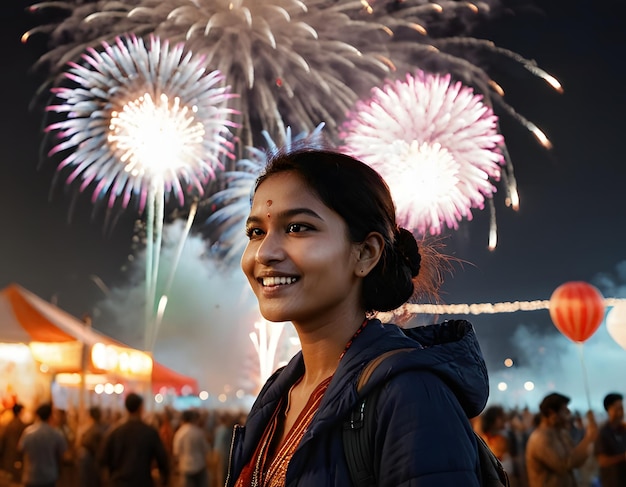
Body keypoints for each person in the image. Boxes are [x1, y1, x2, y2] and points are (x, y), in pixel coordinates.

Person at [226, 147, 489, 486]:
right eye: (256, 232)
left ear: (366, 253)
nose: (265, 253)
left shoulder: (410, 395)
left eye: (298, 228)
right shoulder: (278, 391)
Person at [525, 392, 598, 487]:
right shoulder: (540, 438)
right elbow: (564, 464)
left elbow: (576, 459)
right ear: (551, 413)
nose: (569, 413)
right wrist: (588, 439)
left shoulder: (562, 433)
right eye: (564, 410)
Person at [99, 392, 170, 487]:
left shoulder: (115, 432)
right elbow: (162, 458)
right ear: (140, 408)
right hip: (142, 481)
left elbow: (102, 458)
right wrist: (165, 479)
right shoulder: (149, 432)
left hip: (119, 482)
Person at [17, 403, 68, 487]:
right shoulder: (55, 434)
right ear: (50, 416)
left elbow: (20, 448)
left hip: (31, 475)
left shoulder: (28, 432)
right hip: (49, 477)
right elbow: (64, 454)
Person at [594, 392, 626, 487]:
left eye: (622, 408)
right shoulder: (602, 433)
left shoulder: (623, 430)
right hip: (613, 482)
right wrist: (623, 457)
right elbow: (602, 461)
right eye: (617, 409)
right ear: (609, 410)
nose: (620, 412)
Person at [173, 409, 210, 487]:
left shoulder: (179, 433)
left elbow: (176, 452)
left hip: (185, 466)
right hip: (200, 465)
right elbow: (206, 449)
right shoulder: (198, 432)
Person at [76, 406, 107, 487]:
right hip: (95, 460)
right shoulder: (101, 428)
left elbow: (78, 444)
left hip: (89, 460)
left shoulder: (87, 429)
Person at [0, 403, 27, 486]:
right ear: (21, 412)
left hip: (7, 461)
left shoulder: (7, 425)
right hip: (18, 461)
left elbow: (1, 443)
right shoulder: (23, 427)